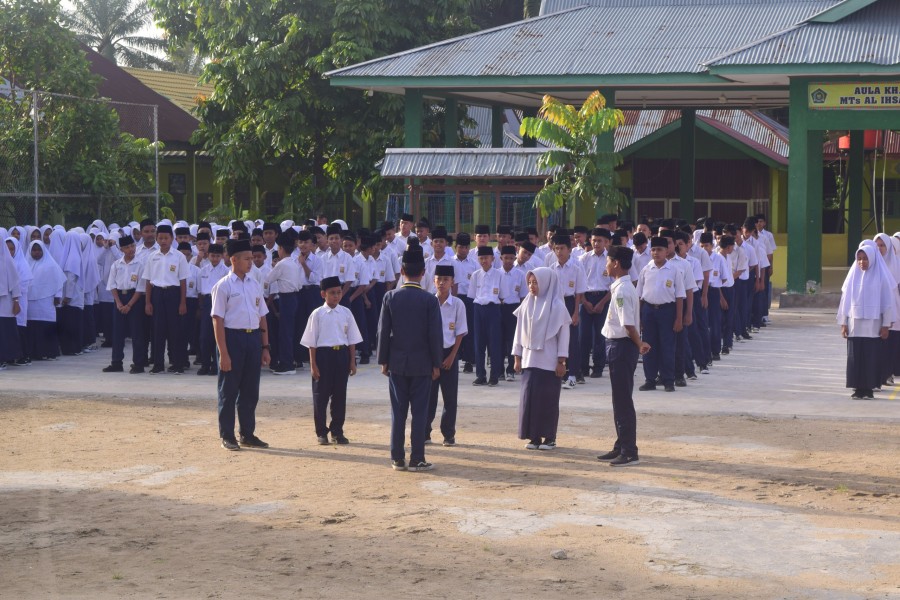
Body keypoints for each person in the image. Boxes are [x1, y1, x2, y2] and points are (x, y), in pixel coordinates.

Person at [377, 246, 443, 472]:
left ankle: (397, 457)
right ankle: (417, 458)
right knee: (420, 413)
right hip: (422, 364)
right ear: (423, 272)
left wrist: (383, 361)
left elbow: (383, 332)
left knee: (398, 412)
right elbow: (435, 335)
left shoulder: (390, 297)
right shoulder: (429, 300)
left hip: (397, 363)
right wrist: (437, 363)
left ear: (402, 271)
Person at [210, 238, 271, 450]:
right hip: (232, 338)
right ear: (233, 260)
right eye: (246, 259)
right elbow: (217, 320)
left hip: (252, 338)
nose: (250, 262)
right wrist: (223, 353)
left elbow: (262, 316)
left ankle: (247, 433)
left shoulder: (254, 284)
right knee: (228, 390)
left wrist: (265, 347)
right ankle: (227, 435)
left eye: (252, 258)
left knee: (250, 390)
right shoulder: (223, 286)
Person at [597, 245, 650, 466]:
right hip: (618, 345)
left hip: (621, 347)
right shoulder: (623, 287)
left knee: (622, 400)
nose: (606, 265)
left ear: (616, 263)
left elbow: (628, 324)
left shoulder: (622, 290)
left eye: (608, 261)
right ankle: (621, 444)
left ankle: (629, 450)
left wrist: (639, 344)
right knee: (619, 399)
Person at [513, 267, 570, 451]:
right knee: (529, 400)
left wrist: (561, 361)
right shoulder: (526, 304)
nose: (532, 286)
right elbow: (518, 333)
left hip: (549, 362)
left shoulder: (558, 307)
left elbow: (564, 336)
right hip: (529, 361)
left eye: (536, 282)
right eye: (530, 283)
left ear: (546, 283)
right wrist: (517, 357)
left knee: (548, 401)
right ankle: (534, 437)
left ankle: (550, 438)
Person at [300, 276, 362, 445]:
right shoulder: (317, 314)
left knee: (340, 395)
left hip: (341, 355)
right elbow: (311, 342)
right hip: (323, 356)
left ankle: (337, 431)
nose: (336, 296)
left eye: (339, 292)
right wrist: (313, 364)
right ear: (323, 294)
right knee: (321, 396)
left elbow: (352, 339)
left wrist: (352, 361)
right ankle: (321, 432)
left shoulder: (346, 313)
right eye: (332, 293)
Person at [838, 242, 896, 399]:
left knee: (871, 358)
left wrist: (886, 325)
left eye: (865, 259)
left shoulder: (881, 277)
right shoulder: (852, 277)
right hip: (855, 326)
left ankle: (869, 389)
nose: (862, 262)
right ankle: (858, 388)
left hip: (873, 327)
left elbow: (887, 303)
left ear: (872, 259)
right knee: (855, 357)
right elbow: (845, 301)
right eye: (859, 259)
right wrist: (843, 323)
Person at [637, 236, 684, 392]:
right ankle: (650, 379)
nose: (656, 253)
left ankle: (668, 380)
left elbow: (679, 296)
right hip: (649, 311)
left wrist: (679, 318)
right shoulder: (646, 270)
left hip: (667, 311)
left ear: (666, 251)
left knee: (667, 346)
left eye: (659, 250)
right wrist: (639, 318)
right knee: (648, 346)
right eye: (653, 249)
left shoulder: (674, 270)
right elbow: (639, 296)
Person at [427, 264, 467, 446]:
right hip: (431, 353)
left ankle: (448, 433)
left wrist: (452, 357)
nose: (442, 283)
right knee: (429, 396)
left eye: (446, 280)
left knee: (450, 397)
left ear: (452, 282)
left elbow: (460, 333)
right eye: (439, 279)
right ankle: (425, 432)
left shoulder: (458, 304)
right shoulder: (429, 302)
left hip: (450, 352)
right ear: (434, 281)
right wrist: (432, 361)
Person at [142, 224, 190, 374]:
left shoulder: (179, 256)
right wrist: (148, 302)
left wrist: (183, 302)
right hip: (157, 294)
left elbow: (183, 281)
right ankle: (158, 364)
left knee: (175, 330)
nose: (163, 241)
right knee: (158, 330)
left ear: (172, 239)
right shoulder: (152, 257)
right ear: (156, 239)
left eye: (166, 238)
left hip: (174, 294)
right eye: (160, 238)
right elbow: (148, 280)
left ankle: (177, 364)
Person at [103, 234, 147, 373]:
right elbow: (112, 285)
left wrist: (129, 305)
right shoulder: (117, 264)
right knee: (118, 332)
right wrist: (118, 303)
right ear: (121, 249)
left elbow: (140, 287)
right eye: (127, 247)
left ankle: (138, 363)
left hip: (134, 298)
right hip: (119, 298)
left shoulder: (140, 264)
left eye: (132, 246)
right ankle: (116, 362)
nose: (131, 249)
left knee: (136, 332)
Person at [550, 232, 586, 388]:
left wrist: (576, 312)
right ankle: (560, 372)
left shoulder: (576, 267)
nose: (559, 252)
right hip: (556, 304)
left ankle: (572, 374)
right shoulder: (551, 269)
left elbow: (579, 292)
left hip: (570, 303)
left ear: (569, 249)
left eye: (562, 248)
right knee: (556, 339)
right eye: (556, 248)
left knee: (572, 340)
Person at [25, 240, 65, 361]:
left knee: (46, 325)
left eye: (39, 250)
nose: (36, 252)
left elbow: (59, 281)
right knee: (32, 326)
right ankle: (34, 352)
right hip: (30, 302)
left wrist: (58, 296)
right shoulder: (26, 264)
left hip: (46, 301)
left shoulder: (51, 264)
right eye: (34, 250)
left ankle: (49, 352)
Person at [469, 245, 503, 386]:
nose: (484, 261)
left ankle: (494, 376)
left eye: (486, 258)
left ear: (492, 259)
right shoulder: (475, 275)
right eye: (481, 258)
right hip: (478, 309)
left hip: (493, 308)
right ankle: (480, 375)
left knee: (494, 343)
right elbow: (472, 295)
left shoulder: (499, 274)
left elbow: (502, 295)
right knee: (479, 344)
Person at [197, 243, 229, 376]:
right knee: (205, 336)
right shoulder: (203, 270)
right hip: (207, 301)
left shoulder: (226, 271)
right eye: (212, 256)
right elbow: (199, 291)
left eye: (217, 256)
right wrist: (200, 307)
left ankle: (216, 365)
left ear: (222, 256)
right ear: (208, 255)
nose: (215, 259)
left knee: (218, 335)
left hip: (221, 302)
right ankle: (205, 364)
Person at [498, 245, 526, 381]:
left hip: (514, 309)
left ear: (515, 258)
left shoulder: (520, 275)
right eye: (506, 258)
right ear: (501, 258)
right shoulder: (496, 273)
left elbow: (523, 297)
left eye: (511, 258)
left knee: (511, 340)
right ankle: (499, 370)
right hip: (499, 308)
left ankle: (511, 370)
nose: (508, 261)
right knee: (499, 340)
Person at [0, 237, 22, 370]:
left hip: (5, 303)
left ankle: (3, 359)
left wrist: (16, 301)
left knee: (4, 332)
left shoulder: (7, 261)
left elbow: (15, 283)